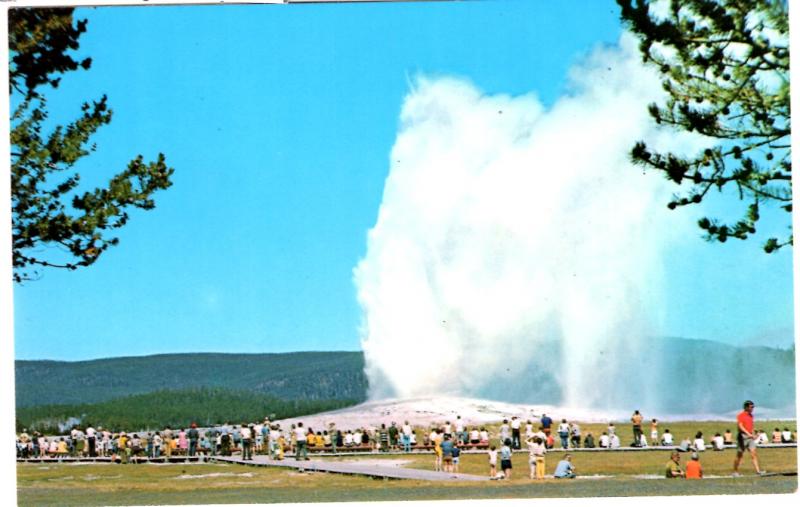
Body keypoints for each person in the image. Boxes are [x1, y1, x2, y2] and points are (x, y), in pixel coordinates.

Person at [733, 400, 765, 476]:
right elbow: (740, 426)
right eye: (751, 407)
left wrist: (754, 434)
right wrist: (748, 434)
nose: (752, 408)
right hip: (742, 437)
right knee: (739, 455)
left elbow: (751, 426)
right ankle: (735, 472)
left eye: (753, 407)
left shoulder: (751, 416)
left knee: (754, 453)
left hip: (750, 437)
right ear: (746, 407)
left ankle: (758, 471)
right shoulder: (741, 415)